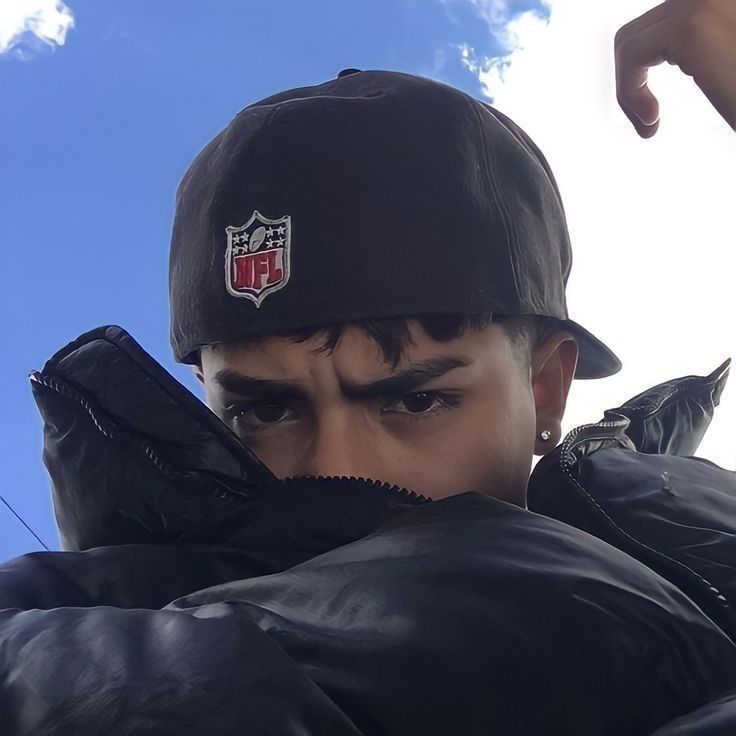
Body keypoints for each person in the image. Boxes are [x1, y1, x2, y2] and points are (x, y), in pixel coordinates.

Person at [1, 1, 735, 733]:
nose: (333, 469)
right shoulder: (69, 631)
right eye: (265, 410)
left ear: (544, 391)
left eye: (415, 401)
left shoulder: (697, 553)